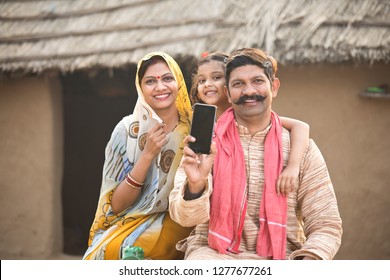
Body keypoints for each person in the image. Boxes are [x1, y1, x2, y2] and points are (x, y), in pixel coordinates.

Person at [169, 48, 342, 260]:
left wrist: (308, 263)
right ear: (228, 94)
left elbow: (326, 225)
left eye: (258, 81)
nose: (249, 91)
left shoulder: (301, 149)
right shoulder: (205, 145)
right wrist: (195, 186)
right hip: (213, 255)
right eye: (238, 84)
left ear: (274, 87)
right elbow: (184, 218)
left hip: (283, 258)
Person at [83, 52, 193, 260]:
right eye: (151, 81)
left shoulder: (194, 130)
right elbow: (117, 205)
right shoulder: (126, 130)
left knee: (139, 251)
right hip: (129, 219)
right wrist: (148, 154)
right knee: (105, 253)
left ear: (178, 82)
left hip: (178, 218)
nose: (160, 87)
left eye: (167, 78)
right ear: (140, 88)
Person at [189, 51, 310, 195]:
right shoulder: (204, 127)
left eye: (216, 77)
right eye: (202, 81)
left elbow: (301, 126)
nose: (208, 84)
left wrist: (293, 166)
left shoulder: (252, 118)